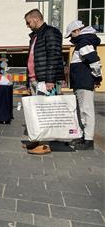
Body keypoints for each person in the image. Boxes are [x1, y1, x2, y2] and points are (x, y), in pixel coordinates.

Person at [23, 9, 65, 155]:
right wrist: (29, 82)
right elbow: (32, 59)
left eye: (28, 22)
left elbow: (53, 56)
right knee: (37, 112)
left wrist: (50, 79)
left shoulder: (51, 32)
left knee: (47, 112)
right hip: (36, 79)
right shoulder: (35, 36)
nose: (27, 25)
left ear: (35, 19)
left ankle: (45, 144)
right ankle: (37, 140)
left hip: (46, 80)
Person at [65, 20, 102, 150]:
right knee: (82, 110)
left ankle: (88, 140)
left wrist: (98, 77)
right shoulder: (84, 41)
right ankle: (84, 136)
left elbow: (94, 60)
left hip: (83, 82)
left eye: (71, 35)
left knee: (86, 111)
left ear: (77, 31)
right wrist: (97, 78)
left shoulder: (84, 42)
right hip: (81, 82)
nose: (70, 38)